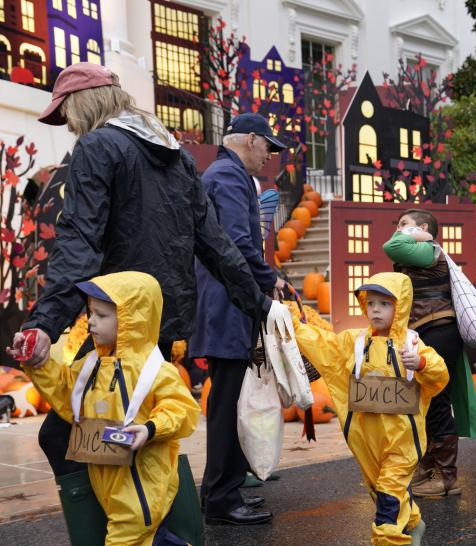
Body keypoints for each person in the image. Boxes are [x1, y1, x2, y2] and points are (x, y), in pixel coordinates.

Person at [11, 62, 273, 488]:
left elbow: (80, 242)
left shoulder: (97, 147)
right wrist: (259, 303)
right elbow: (215, 243)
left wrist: (45, 322)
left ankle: (118, 521)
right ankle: (153, 516)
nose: (70, 124)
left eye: (68, 112)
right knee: (131, 434)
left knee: (65, 435)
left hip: (118, 322)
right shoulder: (177, 155)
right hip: (160, 322)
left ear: (85, 102)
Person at [10, 272, 200, 545]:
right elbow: (65, 392)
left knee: (126, 536)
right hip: (108, 482)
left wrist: (151, 428)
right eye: (91, 312)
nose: (90, 321)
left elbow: (181, 408)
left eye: (101, 315)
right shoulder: (91, 364)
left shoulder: (156, 371)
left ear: (131, 319)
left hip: (142, 488)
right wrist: (37, 364)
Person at [285, 272, 448, 545]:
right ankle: (413, 523)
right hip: (367, 440)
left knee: (389, 492)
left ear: (400, 307)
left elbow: (440, 375)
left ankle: (389, 539)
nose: (375, 309)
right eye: (370, 303)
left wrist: (420, 364)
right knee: (381, 489)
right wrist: (291, 322)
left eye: (384, 304)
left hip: (402, 441)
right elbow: (323, 344)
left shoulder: (411, 344)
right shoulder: (354, 343)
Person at [188, 113, 287, 526]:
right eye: (268, 146)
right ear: (250, 139)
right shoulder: (229, 177)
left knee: (225, 402)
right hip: (228, 303)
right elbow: (237, 243)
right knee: (228, 405)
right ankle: (221, 500)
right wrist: (270, 280)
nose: (270, 155)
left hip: (223, 302)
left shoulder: (222, 174)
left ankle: (218, 492)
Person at [383, 209, 463, 497]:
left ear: (424, 228)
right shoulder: (416, 254)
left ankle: (446, 476)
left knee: (437, 401)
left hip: (439, 328)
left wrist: (416, 235)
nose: (398, 229)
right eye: (397, 224)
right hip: (422, 332)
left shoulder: (429, 250)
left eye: (404, 224)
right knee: (423, 403)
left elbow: (391, 245)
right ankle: (428, 467)